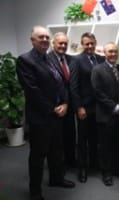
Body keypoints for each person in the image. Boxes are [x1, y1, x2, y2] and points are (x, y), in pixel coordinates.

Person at [16, 26, 75, 200]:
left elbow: (61, 83)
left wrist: (64, 103)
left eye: (46, 37)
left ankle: (56, 179)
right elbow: (32, 90)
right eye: (40, 37)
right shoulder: (25, 60)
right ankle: (35, 192)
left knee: (57, 150)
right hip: (41, 117)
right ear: (32, 40)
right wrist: (52, 109)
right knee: (38, 155)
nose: (44, 40)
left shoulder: (49, 58)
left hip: (57, 114)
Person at [70, 32, 105, 183]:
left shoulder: (101, 59)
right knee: (82, 139)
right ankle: (82, 168)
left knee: (95, 137)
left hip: (99, 107)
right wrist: (79, 107)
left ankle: (94, 163)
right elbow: (74, 86)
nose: (90, 46)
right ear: (82, 44)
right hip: (84, 107)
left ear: (95, 42)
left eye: (92, 43)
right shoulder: (76, 60)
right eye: (87, 44)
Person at [91, 42, 119, 186]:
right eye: (110, 51)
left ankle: (117, 168)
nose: (113, 54)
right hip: (106, 115)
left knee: (118, 143)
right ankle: (106, 172)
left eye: (115, 51)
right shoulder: (97, 70)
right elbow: (97, 92)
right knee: (105, 145)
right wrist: (115, 107)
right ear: (104, 54)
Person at [48, 32, 77, 169]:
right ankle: (58, 166)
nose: (63, 46)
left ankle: (71, 161)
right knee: (56, 139)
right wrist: (60, 103)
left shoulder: (71, 59)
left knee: (70, 134)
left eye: (65, 43)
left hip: (70, 104)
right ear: (53, 43)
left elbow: (72, 83)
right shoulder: (47, 60)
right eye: (60, 43)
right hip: (56, 106)